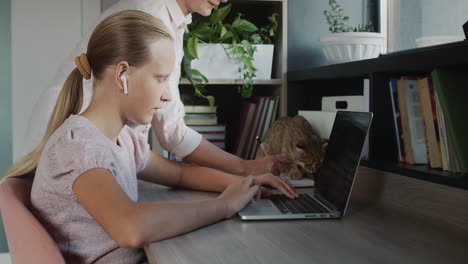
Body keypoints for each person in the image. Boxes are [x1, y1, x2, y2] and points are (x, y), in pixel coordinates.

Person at [2, 10, 297, 263]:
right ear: (122, 76)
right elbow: (130, 227)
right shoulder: (80, 149)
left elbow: (180, 175)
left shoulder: (122, 140)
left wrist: (245, 183)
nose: (168, 95)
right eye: (160, 78)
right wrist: (224, 205)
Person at [22, 0, 288, 177]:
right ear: (122, 75)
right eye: (159, 79)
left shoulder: (170, 17)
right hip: (69, 150)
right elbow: (172, 133)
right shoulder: (153, 17)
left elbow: (176, 165)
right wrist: (245, 169)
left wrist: (240, 179)